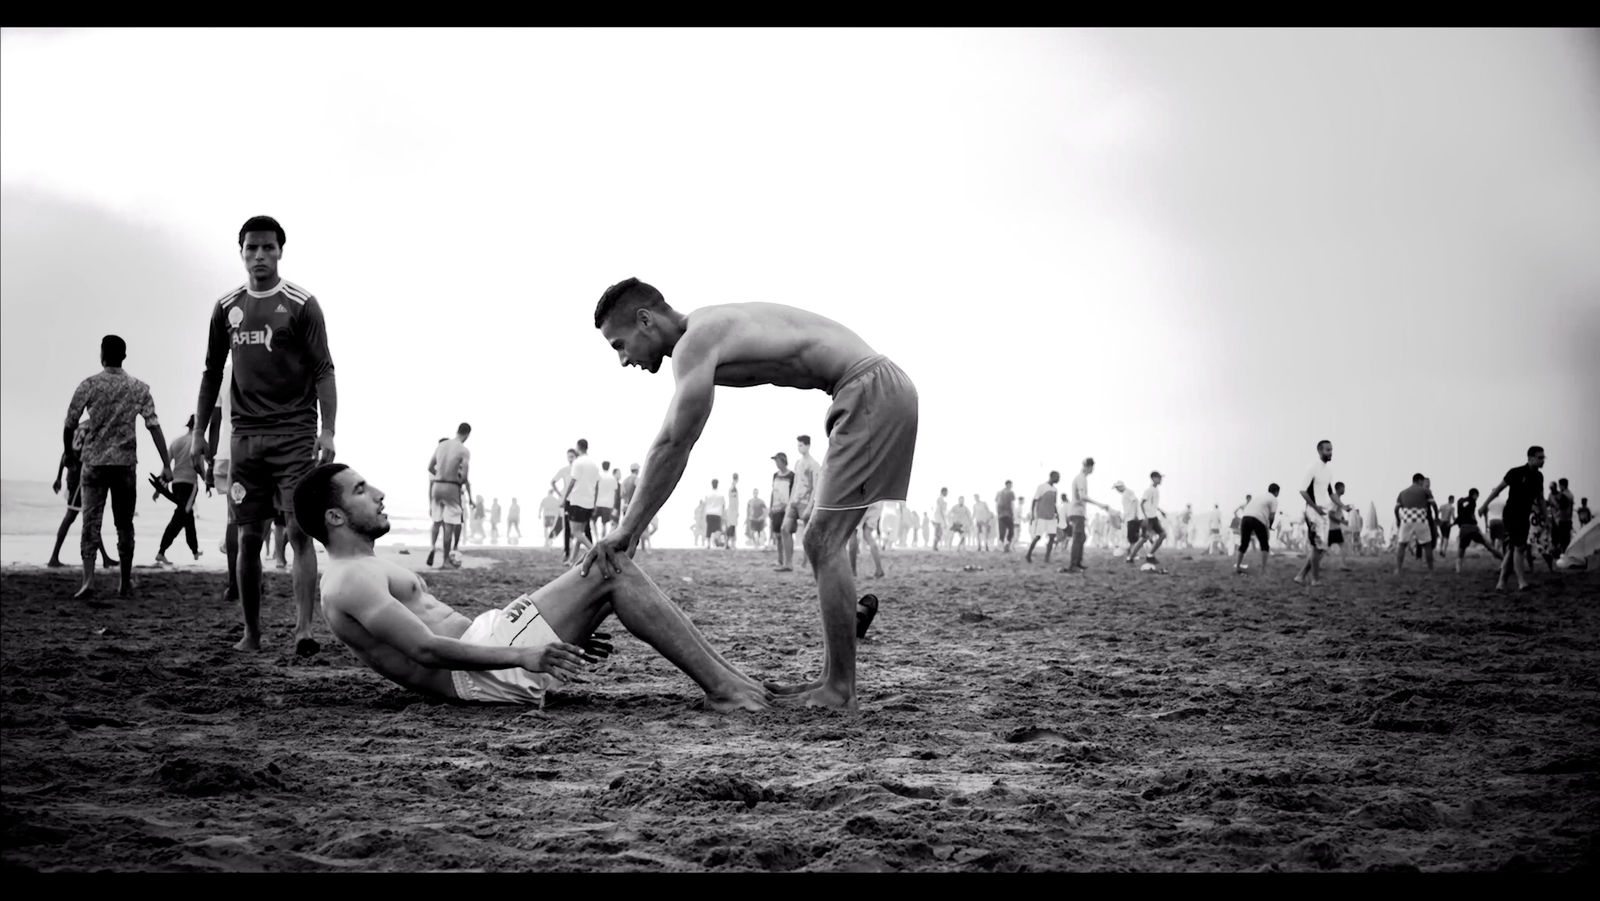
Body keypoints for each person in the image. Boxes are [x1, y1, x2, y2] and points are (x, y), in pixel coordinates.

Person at [583, 278, 918, 711]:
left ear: (645, 319)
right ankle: (833, 681)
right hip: (868, 389)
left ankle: (838, 690)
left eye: (619, 344)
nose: (623, 359)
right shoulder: (706, 328)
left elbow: (673, 442)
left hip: (868, 389)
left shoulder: (693, 343)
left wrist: (626, 530)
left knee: (823, 541)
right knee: (824, 540)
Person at [295, 463, 773, 712]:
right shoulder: (349, 579)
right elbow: (424, 650)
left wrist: (557, 631)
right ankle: (728, 689)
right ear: (334, 517)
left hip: (488, 642)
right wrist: (525, 655)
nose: (377, 493)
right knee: (612, 567)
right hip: (478, 672)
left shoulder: (363, 564)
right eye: (360, 490)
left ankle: (738, 685)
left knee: (608, 571)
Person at [192, 216, 337, 655]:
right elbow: (212, 372)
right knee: (249, 536)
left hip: (294, 434)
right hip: (246, 438)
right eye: (251, 248)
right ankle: (251, 634)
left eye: (268, 248)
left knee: (298, 532)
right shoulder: (226, 308)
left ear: (279, 251)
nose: (259, 256)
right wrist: (200, 433)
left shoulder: (300, 303)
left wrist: (327, 431)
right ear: (241, 251)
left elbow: (323, 369)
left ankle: (303, 631)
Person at [65, 335, 172, 600]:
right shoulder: (139, 388)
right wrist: (166, 463)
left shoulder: (89, 385)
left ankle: (88, 580)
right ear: (124, 356)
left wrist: (69, 455)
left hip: (94, 463)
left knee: (91, 522)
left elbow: (70, 423)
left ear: (102, 354)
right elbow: (153, 426)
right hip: (124, 465)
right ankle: (124, 581)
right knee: (124, 524)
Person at [48, 418, 118, 570]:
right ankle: (54, 557)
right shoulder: (95, 427)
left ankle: (105, 558)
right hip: (81, 476)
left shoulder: (79, 426)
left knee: (90, 517)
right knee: (72, 516)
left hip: (76, 476)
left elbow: (65, 452)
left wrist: (59, 477)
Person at [1479, 446, 1546, 591]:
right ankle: (1522, 582)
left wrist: (1546, 517)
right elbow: (1498, 490)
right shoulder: (1515, 472)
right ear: (1530, 458)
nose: (1543, 460)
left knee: (1513, 548)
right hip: (1511, 514)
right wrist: (1484, 505)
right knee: (1519, 547)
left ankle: (1501, 582)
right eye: (1540, 457)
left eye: (1543, 458)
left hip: (1524, 515)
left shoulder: (1539, 477)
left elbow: (1540, 499)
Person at [154, 414, 207, 565]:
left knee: (187, 516)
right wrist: (207, 482)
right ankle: (161, 551)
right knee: (180, 518)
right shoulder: (198, 442)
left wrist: (159, 487)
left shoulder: (177, 441)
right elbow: (200, 466)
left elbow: (167, 464)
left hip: (176, 484)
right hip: (190, 484)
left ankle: (195, 551)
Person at [1293, 440, 1337, 588]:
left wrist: (1343, 506)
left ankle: (1301, 575)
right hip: (1313, 512)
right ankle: (1314, 580)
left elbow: (1331, 493)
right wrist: (1315, 507)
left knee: (1322, 548)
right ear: (1319, 451)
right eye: (1327, 450)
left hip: (1323, 512)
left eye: (1331, 450)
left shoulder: (1328, 471)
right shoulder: (1312, 468)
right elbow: (1302, 490)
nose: (1330, 453)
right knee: (1317, 546)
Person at [428, 424, 471, 567]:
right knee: (449, 526)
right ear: (467, 434)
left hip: (436, 486)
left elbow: (429, 467)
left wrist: (440, 476)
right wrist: (455, 480)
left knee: (436, 521)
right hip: (451, 487)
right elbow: (464, 476)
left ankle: (433, 546)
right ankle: (445, 560)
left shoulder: (442, 445)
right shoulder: (463, 450)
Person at [1065, 457, 1111, 572]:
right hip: (1077, 512)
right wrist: (1099, 504)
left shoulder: (1082, 478)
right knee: (1078, 538)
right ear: (1088, 467)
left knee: (1081, 537)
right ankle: (1074, 565)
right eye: (1092, 467)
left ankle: (1077, 562)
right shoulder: (1081, 478)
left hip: (1079, 512)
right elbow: (1082, 497)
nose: (1093, 469)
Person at [562, 439, 601, 564]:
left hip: (577, 500)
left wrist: (564, 498)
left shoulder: (578, 462)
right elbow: (597, 486)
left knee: (576, 532)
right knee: (581, 533)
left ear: (578, 447)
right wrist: (594, 503)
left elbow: (572, 482)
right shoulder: (594, 464)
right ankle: (572, 560)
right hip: (589, 502)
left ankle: (595, 551)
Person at [1394, 473, 1437, 574]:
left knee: (1402, 544)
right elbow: (1434, 505)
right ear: (1419, 481)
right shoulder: (1425, 491)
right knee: (1427, 545)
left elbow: (1396, 509)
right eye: (1423, 481)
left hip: (1406, 520)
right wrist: (1436, 516)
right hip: (1420, 519)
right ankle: (1430, 569)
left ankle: (1398, 569)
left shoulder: (1403, 492)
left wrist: (1398, 520)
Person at [1453, 488, 1502, 573]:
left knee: (1461, 549)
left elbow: (1460, 515)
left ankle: (1458, 569)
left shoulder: (1460, 501)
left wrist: (1454, 523)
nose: (1477, 498)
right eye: (1477, 496)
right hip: (1472, 527)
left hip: (1464, 528)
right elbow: (1470, 514)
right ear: (1474, 495)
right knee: (1489, 546)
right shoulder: (1473, 502)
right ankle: (1505, 559)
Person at [1124, 471, 1168, 566]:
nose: (1161, 480)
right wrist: (1145, 517)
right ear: (1153, 478)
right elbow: (1141, 503)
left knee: (1162, 535)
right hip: (1148, 518)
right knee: (1144, 538)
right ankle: (1131, 557)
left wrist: (1161, 511)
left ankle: (1150, 554)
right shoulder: (1149, 490)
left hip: (1153, 516)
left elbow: (1152, 505)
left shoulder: (1155, 490)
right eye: (1159, 477)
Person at [1234, 483, 1279, 574]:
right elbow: (1272, 515)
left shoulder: (1259, 497)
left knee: (1244, 543)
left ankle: (1238, 566)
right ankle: (1263, 570)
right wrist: (1269, 526)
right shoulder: (1273, 499)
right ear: (1277, 492)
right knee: (1264, 544)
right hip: (1258, 519)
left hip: (1245, 518)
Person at [769, 452, 797, 571]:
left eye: (777, 461)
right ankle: (780, 559)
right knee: (777, 535)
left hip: (787, 508)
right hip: (776, 508)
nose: (776, 463)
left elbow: (794, 491)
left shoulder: (791, 475)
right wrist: (770, 506)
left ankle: (788, 560)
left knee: (786, 532)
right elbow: (773, 491)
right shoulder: (775, 475)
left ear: (783, 461)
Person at [1026, 472, 1061, 564]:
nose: (1058, 479)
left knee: (1052, 537)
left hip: (1051, 517)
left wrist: (1057, 514)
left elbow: (1054, 504)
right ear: (1052, 477)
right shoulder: (1042, 487)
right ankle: (1028, 554)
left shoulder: (1055, 490)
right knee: (1038, 537)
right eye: (1057, 477)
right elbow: (1034, 500)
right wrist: (1033, 515)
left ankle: (1047, 557)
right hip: (1042, 516)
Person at [550, 448, 578, 558]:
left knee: (577, 526)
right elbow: (552, 482)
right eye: (569, 456)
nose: (570, 459)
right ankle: (566, 551)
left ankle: (573, 547)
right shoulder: (564, 470)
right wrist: (560, 495)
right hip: (567, 500)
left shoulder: (578, 469)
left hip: (578, 500)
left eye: (572, 456)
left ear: (576, 457)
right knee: (566, 525)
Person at [848, 501, 886, 579]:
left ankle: (853, 571)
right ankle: (879, 570)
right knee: (868, 534)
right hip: (876, 502)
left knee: (853, 532)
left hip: (860, 500)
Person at [595, 462, 619, 540]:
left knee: (592, 521)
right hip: (608, 504)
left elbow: (596, 490)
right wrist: (614, 506)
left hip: (598, 502)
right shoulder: (613, 478)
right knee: (604, 524)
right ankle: (602, 539)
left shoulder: (599, 477)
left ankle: (596, 538)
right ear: (609, 467)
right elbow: (615, 494)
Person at [1553, 478, 1576, 556]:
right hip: (1569, 519)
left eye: (1559, 485)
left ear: (1562, 485)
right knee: (1567, 539)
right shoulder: (1571, 494)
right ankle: (1568, 554)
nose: (1559, 487)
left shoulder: (1563, 495)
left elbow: (1561, 507)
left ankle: (1564, 555)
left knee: (1562, 539)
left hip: (1563, 519)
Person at [703, 478, 726, 548]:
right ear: (717, 485)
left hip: (709, 513)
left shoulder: (707, 494)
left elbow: (705, 504)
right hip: (717, 513)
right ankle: (716, 540)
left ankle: (708, 544)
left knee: (709, 529)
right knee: (718, 529)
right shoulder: (721, 495)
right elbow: (723, 505)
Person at [995, 480, 1016, 553]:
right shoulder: (1011, 492)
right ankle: (1007, 544)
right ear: (1009, 485)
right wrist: (1013, 514)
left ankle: (1001, 546)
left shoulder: (999, 493)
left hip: (1000, 515)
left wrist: (998, 513)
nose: (1011, 486)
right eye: (1011, 485)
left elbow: (996, 504)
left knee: (1002, 531)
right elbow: (1012, 504)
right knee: (1011, 530)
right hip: (1008, 514)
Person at [724, 473, 740, 549]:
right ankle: (729, 543)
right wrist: (736, 511)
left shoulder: (733, 487)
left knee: (732, 527)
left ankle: (730, 544)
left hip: (732, 510)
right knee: (731, 527)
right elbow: (734, 501)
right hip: (732, 510)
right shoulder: (733, 488)